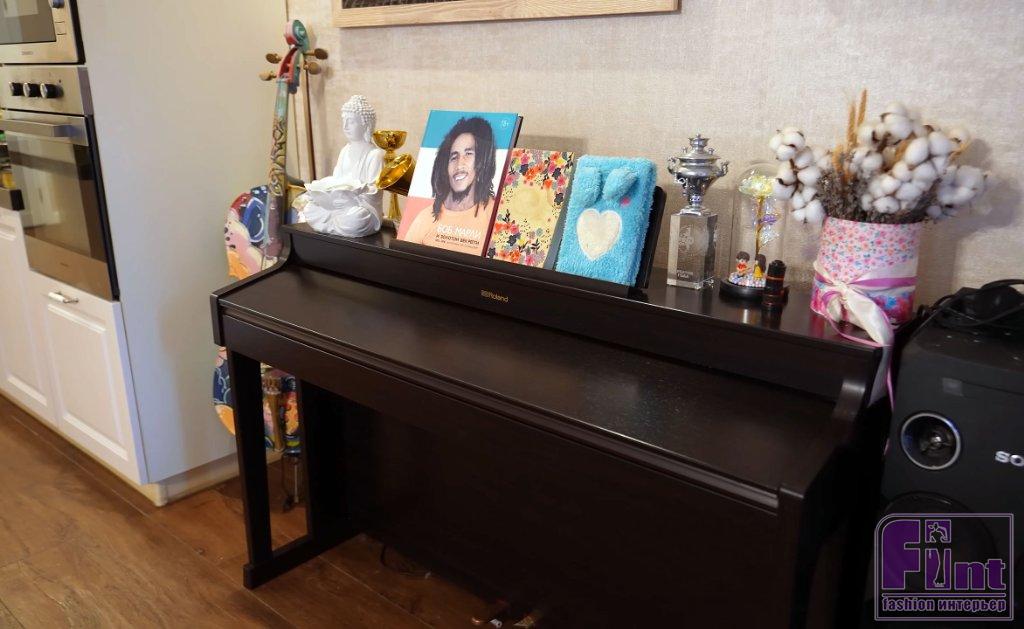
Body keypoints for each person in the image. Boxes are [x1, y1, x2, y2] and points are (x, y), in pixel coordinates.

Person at [404, 116, 497, 252]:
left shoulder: (496, 215)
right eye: (454, 157)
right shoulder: (425, 217)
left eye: (468, 154)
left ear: (482, 161)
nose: (459, 164)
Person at [302, 95, 385, 237]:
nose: (345, 126)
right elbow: (336, 181)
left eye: (351, 121)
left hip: (359, 207)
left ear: (365, 124)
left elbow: (375, 191)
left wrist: (351, 201)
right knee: (310, 209)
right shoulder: (345, 151)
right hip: (338, 205)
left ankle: (332, 224)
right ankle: (335, 223)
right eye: (344, 120)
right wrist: (325, 197)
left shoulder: (374, 154)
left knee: (356, 218)